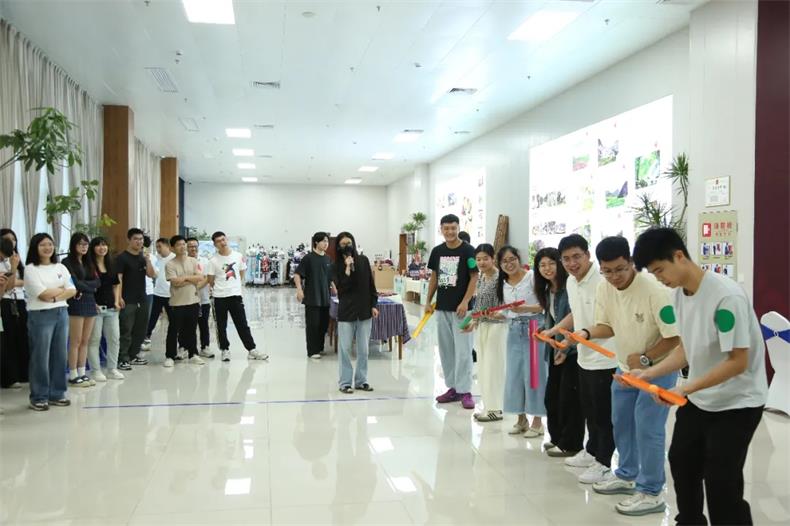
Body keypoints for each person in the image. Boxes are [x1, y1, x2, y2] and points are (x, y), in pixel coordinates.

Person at [632, 227, 767, 526]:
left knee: (721, 480)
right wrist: (649, 372)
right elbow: (686, 348)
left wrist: (686, 388)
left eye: (660, 270)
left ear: (679, 256)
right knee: (682, 462)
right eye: (653, 274)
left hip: (739, 402)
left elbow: (738, 362)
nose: (659, 278)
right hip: (701, 397)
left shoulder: (726, 296)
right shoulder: (679, 296)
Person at [572, 236, 680, 516]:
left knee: (648, 428)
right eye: (607, 271)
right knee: (621, 423)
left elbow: (674, 337)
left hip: (659, 369)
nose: (614, 277)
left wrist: (646, 358)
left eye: (620, 269)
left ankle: (651, 491)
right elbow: (607, 326)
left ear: (631, 262)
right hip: (625, 369)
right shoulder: (604, 287)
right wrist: (585, 333)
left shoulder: (655, 290)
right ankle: (627, 474)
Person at [544, 234, 618, 467]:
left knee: (604, 415)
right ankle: (592, 451)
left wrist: (582, 335)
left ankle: (604, 462)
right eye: (566, 259)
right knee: (589, 410)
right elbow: (576, 315)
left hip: (607, 358)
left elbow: (612, 321)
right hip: (584, 357)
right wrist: (555, 332)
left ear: (587, 255)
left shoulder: (603, 281)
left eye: (577, 257)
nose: (572, 263)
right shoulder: (571, 282)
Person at [426, 214, 478, 409]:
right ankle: (453, 388)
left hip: (463, 311)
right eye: (446, 228)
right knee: (446, 351)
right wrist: (428, 301)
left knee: (464, 351)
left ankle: (466, 391)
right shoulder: (437, 251)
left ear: (458, 228)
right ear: (441, 229)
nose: (450, 231)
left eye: (453, 228)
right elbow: (434, 277)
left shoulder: (468, 250)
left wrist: (465, 301)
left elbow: (474, 277)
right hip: (442, 309)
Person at [535, 247, 584, 455]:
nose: (547, 268)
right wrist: (543, 331)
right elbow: (553, 318)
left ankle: (570, 444)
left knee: (569, 399)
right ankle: (557, 438)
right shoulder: (548, 290)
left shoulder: (570, 287)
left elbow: (577, 318)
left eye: (551, 263)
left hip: (572, 350)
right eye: (542, 265)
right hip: (555, 348)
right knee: (552, 397)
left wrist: (566, 345)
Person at [24, 232, 77, 411]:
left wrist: (55, 296)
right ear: (35, 248)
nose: (47, 248)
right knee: (40, 356)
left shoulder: (60, 267)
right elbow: (42, 294)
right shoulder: (31, 269)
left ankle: (57, 393)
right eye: (42, 245)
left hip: (61, 312)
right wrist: (61, 290)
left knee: (60, 354)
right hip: (40, 315)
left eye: (50, 244)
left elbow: (72, 290)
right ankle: (38, 396)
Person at [497, 245, 546, 436]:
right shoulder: (502, 283)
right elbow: (506, 311)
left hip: (534, 327)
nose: (509, 264)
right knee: (514, 375)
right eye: (504, 261)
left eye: (512, 259)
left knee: (534, 375)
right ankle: (521, 418)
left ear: (519, 258)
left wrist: (525, 308)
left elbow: (544, 305)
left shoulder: (532, 277)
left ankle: (537, 422)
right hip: (514, 329)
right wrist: (489, 316)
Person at [208, 232, 267, 362]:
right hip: (219, 297)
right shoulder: (213, 260)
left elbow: (241, 273)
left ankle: (251, 349)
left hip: (235, 296)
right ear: (215, 244)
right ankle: (225, 349)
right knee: (221, 326)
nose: (222, 242)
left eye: (223, 239)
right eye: (218, 241)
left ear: (226, 239)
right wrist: (221, 287)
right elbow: (211, 280)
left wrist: (233, 286)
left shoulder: (238, 256)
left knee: (242, 324)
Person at [334, 232, 379, 393]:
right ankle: (345, 383)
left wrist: (374, 304)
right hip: (346, 312)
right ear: (338, 247)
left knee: (364, 349)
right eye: (343, 244)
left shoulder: (363, 260)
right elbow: (341, 289)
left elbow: (371, 285)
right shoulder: (335, 265)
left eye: (349, 243)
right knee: (345, 349)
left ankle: (361, 380)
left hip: (364, 311)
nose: (347, 246)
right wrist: (347, 267)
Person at [467, 244, 507, 422]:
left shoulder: (500, 278)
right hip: (483, 326)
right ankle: (489, 406)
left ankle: (496, 409)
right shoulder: (482, 276)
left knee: (493, 367)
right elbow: (479, 304)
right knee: (483, 367)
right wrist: (473, 321)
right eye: (478, 259)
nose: (481, 262)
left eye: (485, 258)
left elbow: (506, 304)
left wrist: (498, 315)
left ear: (493, 258)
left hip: (497, 327)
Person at [62, 232, 101, 387]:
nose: (84, 247)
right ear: (74, 245)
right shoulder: (67, 262)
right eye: (80, 244)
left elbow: (98, 282)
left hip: (90, 301)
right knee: (75, 340)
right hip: (75, 302)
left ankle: (82, 372)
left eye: (86, 244)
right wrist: (89, 287)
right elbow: (74, 283)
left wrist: (86, 287)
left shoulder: (89, 261)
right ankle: (72, 374)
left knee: (85, 340)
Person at [117, 228, 157, 370]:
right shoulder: (122, 258)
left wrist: (148, 260)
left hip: (142, 298)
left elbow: (151, 275)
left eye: (141, 239)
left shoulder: (143, 257)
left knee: (140, 329)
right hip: (127, 299)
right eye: (135, 239)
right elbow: (119, 279)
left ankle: (133, 355)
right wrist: (119, 297)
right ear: (129, 240)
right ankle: (123, 358)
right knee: (126, 329)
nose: (139, 242)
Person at [86, 236, 124, 381]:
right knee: (94, 340)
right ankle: (95, 370)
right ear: (93, 248)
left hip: (111, 308)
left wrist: (117, 301)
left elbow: (116, 285)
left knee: (114, 339)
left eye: (104, 245)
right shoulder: (88, 265)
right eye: (98, 245)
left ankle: (112, 369)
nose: (102, 248)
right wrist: (92, 303)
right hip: (95, 309)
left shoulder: (111, 264)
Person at [164, 235, 205, 367]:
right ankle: (170, 356)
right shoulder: (170, 264)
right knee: (173, 330)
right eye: (179, 245)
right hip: (177, 303)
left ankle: (193, 354)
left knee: (192, 330)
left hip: (193, 301)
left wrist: (184, 279)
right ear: (172, 248)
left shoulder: (193, 261)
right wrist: (190, 279)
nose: (182, 247)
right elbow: (174, 282)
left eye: (183, 244)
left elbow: (200, 277)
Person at [294, 232, 335, 360]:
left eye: (327, 241)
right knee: (313, 325)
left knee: (323, 325)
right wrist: (299, 290)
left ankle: (319, 347)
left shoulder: (328, 259)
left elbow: (330, 277)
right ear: (316, 242)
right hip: (312, 297)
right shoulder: (309, 258)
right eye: (324, 241)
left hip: (325, 297)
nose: (326, 244)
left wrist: (334, 287)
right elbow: (297, 274)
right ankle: (312, 351)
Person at [0, 228, 29, 389]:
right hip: (5, 301)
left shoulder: (16, 258)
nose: (11, 242)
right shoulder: (6, 261)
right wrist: (12, 269)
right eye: (7, 239)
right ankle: (9, 377)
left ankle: (23, 373)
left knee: (22, 337)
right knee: (8, 340)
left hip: (19, 301)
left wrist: (15, 272)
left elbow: (26, 280)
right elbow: (8, 285)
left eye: (13, 239)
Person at [187, 237, 214, 358]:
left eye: (195, 246)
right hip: (186, 300)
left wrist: (196, 288)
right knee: (186, 326)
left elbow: (207, 278)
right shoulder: (183, 261)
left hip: (203, 299)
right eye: (190, 246)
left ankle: (205, 347)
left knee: (203, 324)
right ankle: (185, 347)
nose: (193, 248)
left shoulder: (205, 261)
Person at [146, 237, 175, 345]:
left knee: (173, 318)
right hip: (157, 293)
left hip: (170, 294)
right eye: (157, 247)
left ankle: (175, 339)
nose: (158, 249)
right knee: (153, 317)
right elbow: (154, 274)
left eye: (160, 247)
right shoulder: (156, 258)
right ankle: (147, 336)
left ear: (167, 246)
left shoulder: (174, 258)